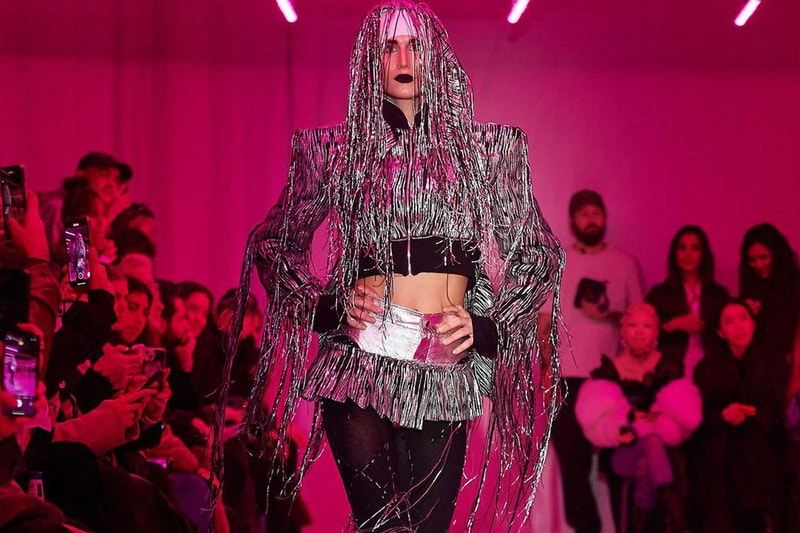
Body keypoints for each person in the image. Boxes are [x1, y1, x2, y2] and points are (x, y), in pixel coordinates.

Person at [214, 2, 564, 531]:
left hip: (443, 364)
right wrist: (328, 307)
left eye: (414, 46)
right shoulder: (334, 150)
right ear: (369, 60)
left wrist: (489, 324)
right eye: (388, 47)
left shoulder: (489, 151)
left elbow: (538, 253)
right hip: (361, 361)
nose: (402, 59)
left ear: (436, 56)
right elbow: (274, 244)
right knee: (379, 526)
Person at [541, 189, 644, 533]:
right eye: (583, 213)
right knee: (572, 458)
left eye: (596, 213)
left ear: (605, 218)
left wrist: (606, 314)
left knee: (618, 460)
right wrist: (548, 372)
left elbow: (640, 319)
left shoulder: (624, 264)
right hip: (567, 375)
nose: (591, 219)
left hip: (611, 377)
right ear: (572, 220)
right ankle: (587, 528)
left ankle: (627, 525)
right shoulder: (559, 263)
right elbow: (544, 323)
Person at [575, 303, 700, 533]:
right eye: (633, 325)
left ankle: (641, 526)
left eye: (647, 326)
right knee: (650, 445)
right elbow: (596, 424)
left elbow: (684, 420)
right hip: (623, 453)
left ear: (656, 332)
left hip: (663, 452)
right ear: (623, 331)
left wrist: (638, 426)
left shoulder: (670, 369)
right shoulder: (608, 373)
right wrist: (630, 423)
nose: (640, 332)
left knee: (647, 459)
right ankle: (677, 520)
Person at [693, 299, 786, 533]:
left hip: (762, 436)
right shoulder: (706, 368)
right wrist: (723, 416)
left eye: (744, 318)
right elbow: (700, 416)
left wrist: (751, 415)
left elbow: (776, 410)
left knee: (754, 450)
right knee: (719, 454)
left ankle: (761, 520)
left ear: (754, 324)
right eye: (730, 322)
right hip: (721, 437)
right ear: (720, 332)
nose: (739, 326)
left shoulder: (774, 363)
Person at [646, 225, 729, 377]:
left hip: (711, 367)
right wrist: (672, 325)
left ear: (704, 255)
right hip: (670, 367)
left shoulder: (718, 294)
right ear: (674, 254)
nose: (688, 254)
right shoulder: (659, 294)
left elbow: (727, 335)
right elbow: (644, 336)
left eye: (695, 248)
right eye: (682, 248)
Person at [739, 223, 800, 367]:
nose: (759, 265)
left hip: (790, 360)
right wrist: (746, 313)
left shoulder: (795, 284)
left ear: (777, 255)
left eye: (764, 257)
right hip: (758, 361)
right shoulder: (751, 283)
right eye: (752, 260)